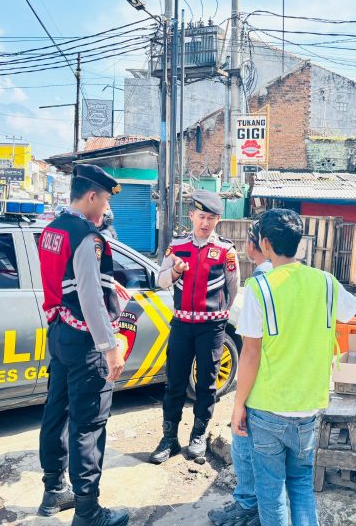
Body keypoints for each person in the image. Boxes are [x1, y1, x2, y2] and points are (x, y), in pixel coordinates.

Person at [231, 209, 356, 526]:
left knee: (272, 496)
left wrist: (238, 405)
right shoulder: (324, 282)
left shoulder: (259, 288)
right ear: (299, 243)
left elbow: (251, 355)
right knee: (301, 488)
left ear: (265, 244)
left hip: (267, 408)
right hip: (309, 407)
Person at [37, 164, 128, 526]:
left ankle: (52, 491)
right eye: (104, 200)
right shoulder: (87, 237)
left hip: (59, 334)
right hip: (85, 340)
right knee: (89, 423)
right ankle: (88, 511)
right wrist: (109, 346)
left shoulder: (51, 229)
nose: (106, 208)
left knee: (55, 412)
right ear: (91, 196)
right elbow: (90, 296)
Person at [149, 190, 239, 465]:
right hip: (181, 324)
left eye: (211, 218)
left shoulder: (226, 250)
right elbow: (161, 281)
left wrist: (218, 313)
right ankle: (169, 439)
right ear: (191, 216)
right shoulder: (176, 246)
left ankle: (198, 436)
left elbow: (232, 288)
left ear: (218, 220)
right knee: (174, 381)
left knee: (207, 383)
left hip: (211, 328)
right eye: (201, 216)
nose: (205, 223)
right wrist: (176, 271)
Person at [209, 219, 269, 526]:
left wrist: (238, 402)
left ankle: (248, 505)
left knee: (243, 438)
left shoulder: (261, 279)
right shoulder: (307, 278)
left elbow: (250, 351)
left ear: (254, 246)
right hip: (290, 388)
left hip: (263, 383)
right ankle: (257, 504)